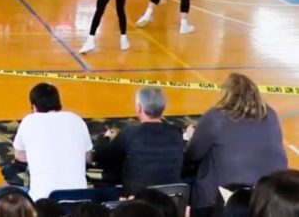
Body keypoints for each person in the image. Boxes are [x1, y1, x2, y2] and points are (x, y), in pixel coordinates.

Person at [185, 73, 287, 217]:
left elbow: (193, 154)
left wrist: (191, 135)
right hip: (268, 198)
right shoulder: (270, 115)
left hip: (219, 201)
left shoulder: (216, 117)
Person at [92, 88, 185, 194]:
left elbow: (103, 157)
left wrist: (105, 139)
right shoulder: (175, 132)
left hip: (139, 201)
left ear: (139, 107)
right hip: (171, 200)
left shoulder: (130, 133)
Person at [12, 83, 92, 201]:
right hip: (79, 199)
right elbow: (87, 157)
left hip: (43, 201)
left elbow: (19, 155)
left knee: (6, 190)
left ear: (34, 107)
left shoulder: (29, 121)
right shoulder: (76, 119)